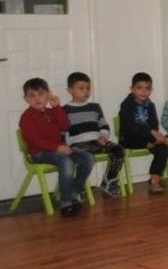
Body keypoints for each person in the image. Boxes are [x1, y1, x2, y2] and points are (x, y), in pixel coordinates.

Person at [19, 77, 94, 217]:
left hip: (58, 149)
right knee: (66, 162)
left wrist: (57, 107)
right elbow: (35, 140)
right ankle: (66, 203)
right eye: (32, 95)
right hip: (39, 153)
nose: (37, 98)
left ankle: (72, 192)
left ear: (48, 94)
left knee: (87, 158)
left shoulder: (52, 111)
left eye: (41, 94)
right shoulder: (26, 117)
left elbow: (65, 126)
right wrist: (57, 147)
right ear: (26, 99)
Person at [63, 72, 125, 197]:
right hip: (78, 144)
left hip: (97, 141)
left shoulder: (95, 107)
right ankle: (78, 187)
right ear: (70, 90)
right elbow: (62, 132)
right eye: (81, 88)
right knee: (84, 158)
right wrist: (66, 145)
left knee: (119, 150)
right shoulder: (64, 110)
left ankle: (109, 181)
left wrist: (103, 136)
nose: (85, 91)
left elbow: (104, 126)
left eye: (88, 88)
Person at [119, 72, 168, 194]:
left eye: (147, 88)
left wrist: (154, 137)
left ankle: (154, 180)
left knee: (163, 148)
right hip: (129, 139)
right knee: (159, 138)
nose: (143, 92)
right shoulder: (127, 104)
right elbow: (131, 126)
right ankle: (166, 139)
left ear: (151, 90)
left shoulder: (150, 105)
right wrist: (151, 133)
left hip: (149, 139)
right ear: (132, 89)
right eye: (139, 88)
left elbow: (154, 124)